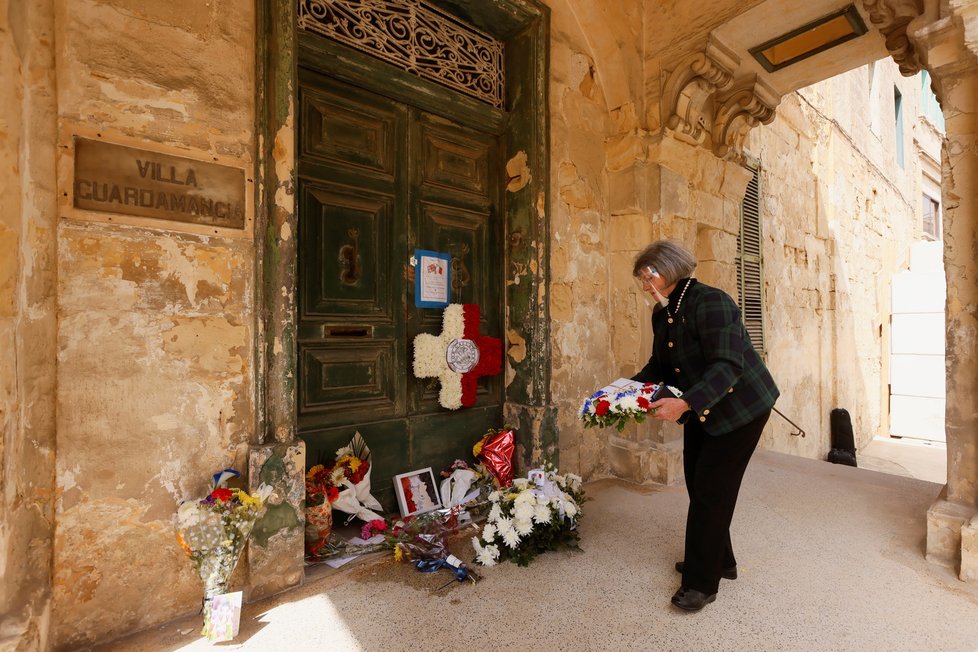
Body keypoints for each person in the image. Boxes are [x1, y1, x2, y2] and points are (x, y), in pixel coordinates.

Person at [630, 240, 779, 612]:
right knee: (700, 484)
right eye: (641, 278)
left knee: (712, 491)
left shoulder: (712, 302)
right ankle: (720, 560)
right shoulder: (661, 313)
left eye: (650, 275)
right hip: (702, 406)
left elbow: (727, 366)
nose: (645, 283)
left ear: (671, 270)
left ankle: (701, 582)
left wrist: (684, 402)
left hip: (741, 408)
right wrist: (625, 391)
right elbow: (660, 366)